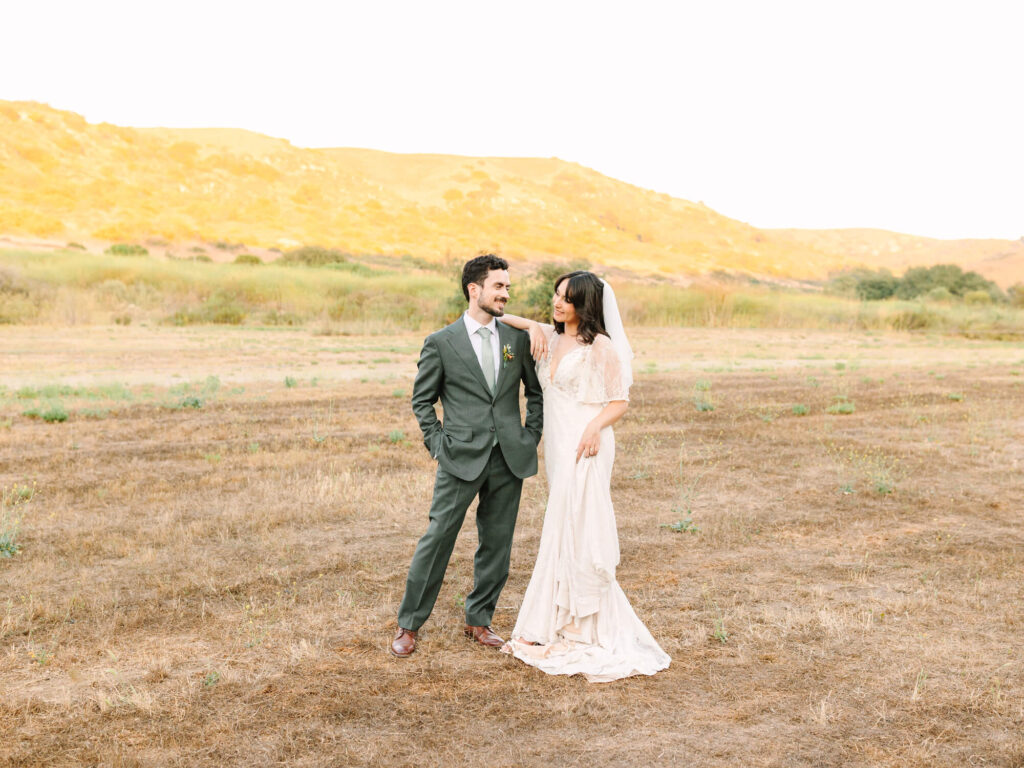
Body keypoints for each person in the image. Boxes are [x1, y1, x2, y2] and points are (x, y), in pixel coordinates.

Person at [498, 270, 670, 682]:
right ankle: (559, 617)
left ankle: (584, 622)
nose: (558, 303)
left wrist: (594, 428)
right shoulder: (550, 336)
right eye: (556, 295)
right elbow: (502, 318)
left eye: (568, 299)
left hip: (587, 443)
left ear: (585, 305)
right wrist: (533, 327)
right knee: (561, 526)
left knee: (581, 525)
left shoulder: (601, 346)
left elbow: (619, 401)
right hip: (558, 447)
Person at [391, 254, 544, 658]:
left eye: (508, 287)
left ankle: (479, 620)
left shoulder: (517, 339)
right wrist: (438, 444)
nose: (506, 294)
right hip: (459, 456)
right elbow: (422, 401)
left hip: (509, 456)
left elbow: (535, 392)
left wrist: (530, 436)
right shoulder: (441, 342)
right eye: (499, 286)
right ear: (474, 290)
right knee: (438, 537)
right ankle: (409, 624)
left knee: (497, 542)